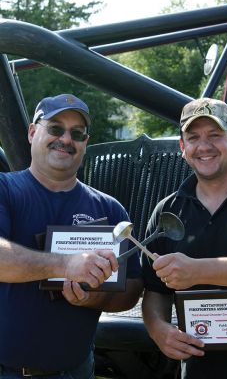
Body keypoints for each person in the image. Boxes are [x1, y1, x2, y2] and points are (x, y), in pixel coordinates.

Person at [0, 94, 143, 379]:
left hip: (77, 370)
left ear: (85, 143)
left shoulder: (111, 209)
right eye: (55, 128)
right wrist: (66, 264)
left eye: (77, 134)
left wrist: (94, 298)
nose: (66, 139)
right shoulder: (5, 189)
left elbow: (132, 288)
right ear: (32, 132)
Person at [142, 97, 227, 379]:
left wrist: (197, 270)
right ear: (183, 147)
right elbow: (154, 291)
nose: (204, 147)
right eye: (194, 137)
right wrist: (158, 329)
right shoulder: (168, 209)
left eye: (215, 135)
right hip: (198, 369)